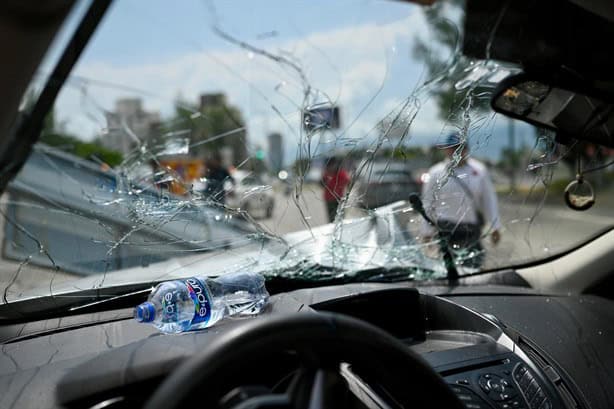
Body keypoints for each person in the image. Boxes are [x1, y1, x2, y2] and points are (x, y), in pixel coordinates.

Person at [420, 133, 501, 268]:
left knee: (473, 268)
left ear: (467, 149)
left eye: (460, 147)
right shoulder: (435, 172)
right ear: (446, 150)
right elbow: (428, 204)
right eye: (452, 148)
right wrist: (426, 232)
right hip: (446, 231)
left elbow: (489, 200)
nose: (456, 151)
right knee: (449, 270)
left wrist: (495, 227)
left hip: (471, 230)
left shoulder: (479, 170)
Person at [322, 157, 351, 222]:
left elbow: (348, 182)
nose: (332, 167)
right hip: (329, 199)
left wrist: (347, 193)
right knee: (332, 218)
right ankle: (333, 229)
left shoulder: (341, 173)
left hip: (339, 198)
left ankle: (340, 229)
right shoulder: (326, 173)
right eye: (330, 165)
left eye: (333, 165)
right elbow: (322, 183)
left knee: (341, 218)